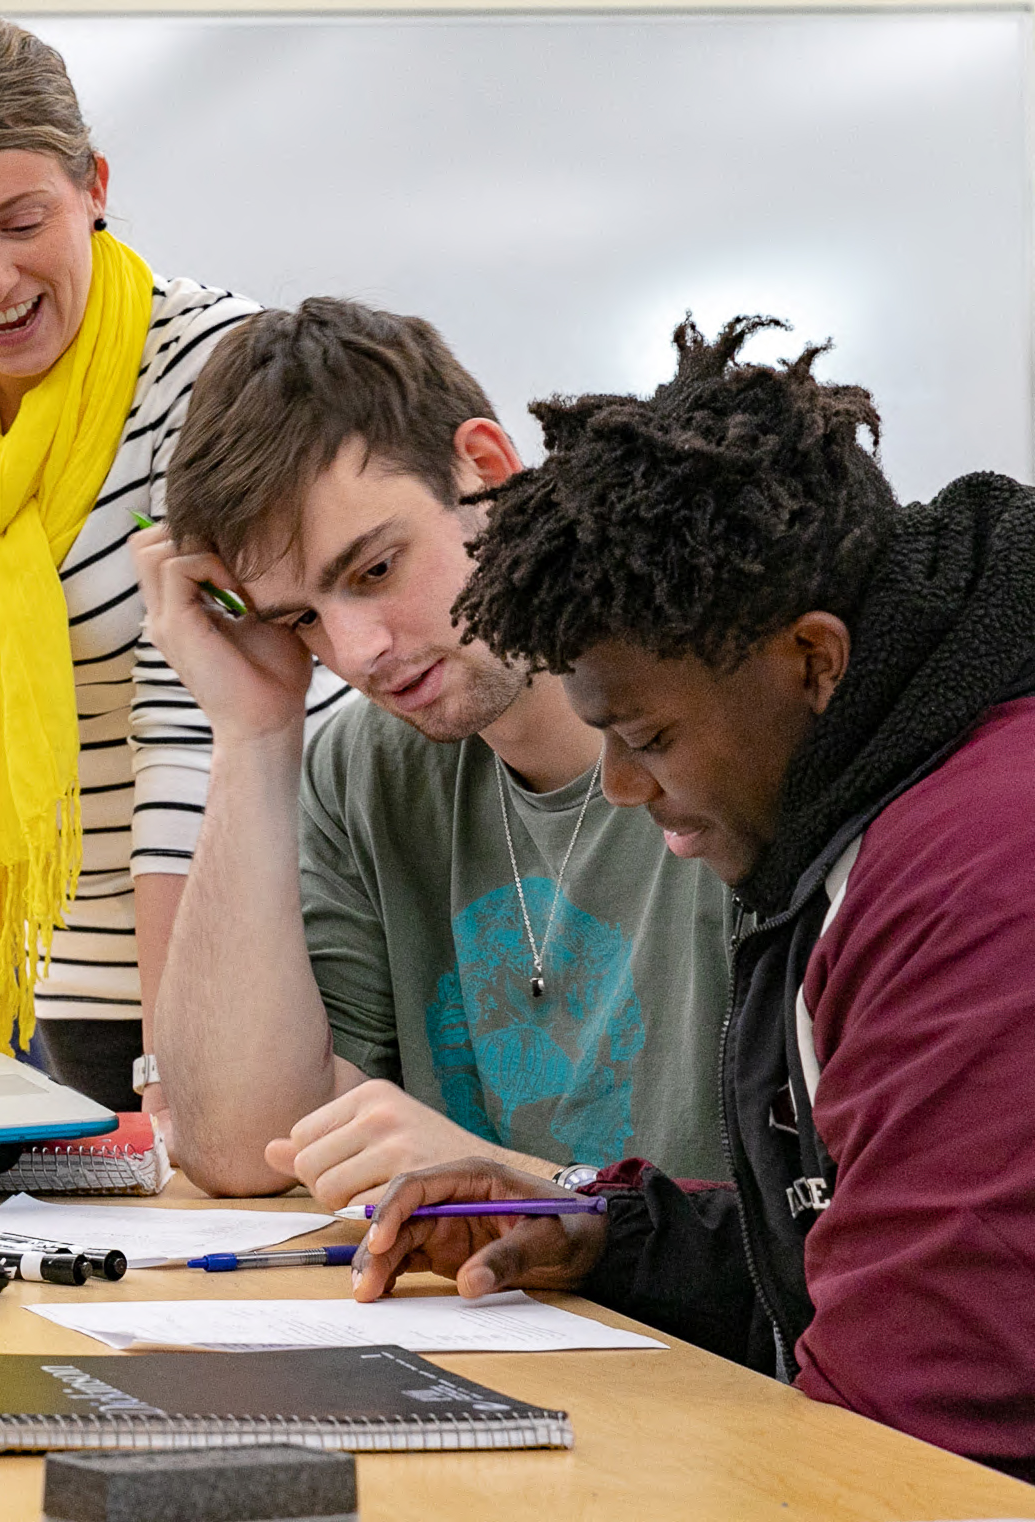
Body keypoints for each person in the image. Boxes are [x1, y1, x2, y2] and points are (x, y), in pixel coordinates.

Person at [353, 317, 1035, 1483]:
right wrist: (615, 1234)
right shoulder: (875, 799)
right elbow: (875, 1245)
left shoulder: (981, 872)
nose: (621, 785)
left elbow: (900, 1446)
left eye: (650, 734)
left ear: (812, 663)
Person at [0, 17, 341, 1109]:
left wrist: (176, 1078)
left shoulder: (214, 365)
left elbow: (189, 723)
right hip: (62, 972)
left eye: (22, 221)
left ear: (93, 185)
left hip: (238, 959)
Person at [134, 298, 733, 1206]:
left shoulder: (728, 728)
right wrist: (253, 736)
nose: (357, 651)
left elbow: (818, 1229)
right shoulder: (361, 769)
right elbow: (236, 1147)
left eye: (374, 570)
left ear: (486, 471)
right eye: (302, 618)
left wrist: (519, 1185)